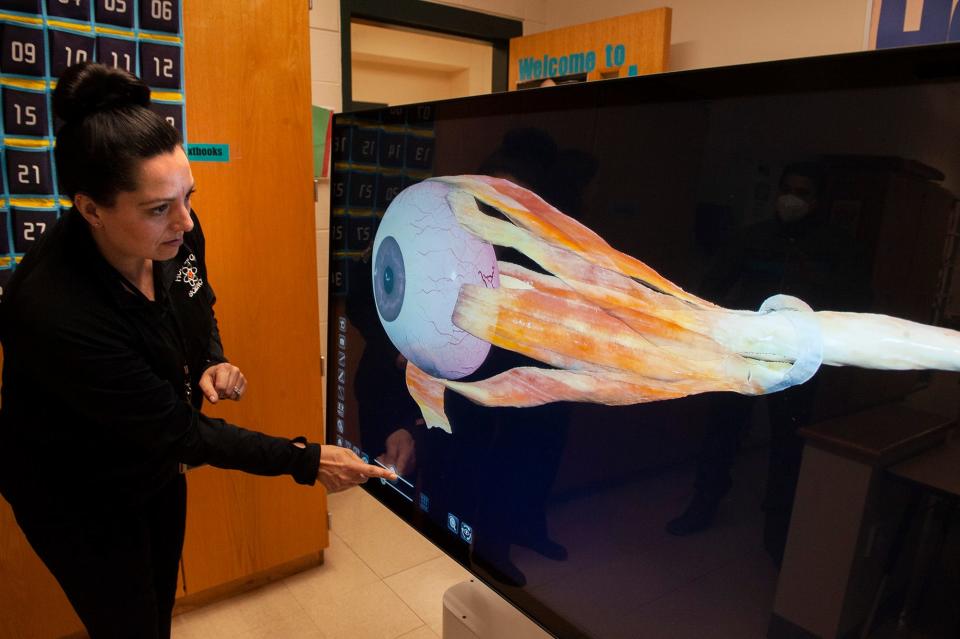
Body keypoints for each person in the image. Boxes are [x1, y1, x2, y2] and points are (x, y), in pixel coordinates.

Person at [0, 62, 394, 639]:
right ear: (91, 210)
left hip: (153, 461)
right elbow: (177, 430)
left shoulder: (178, 238)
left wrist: (210, 356)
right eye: (159, 208)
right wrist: (306, 460)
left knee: (157, 603)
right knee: (128, 622)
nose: (184, 221)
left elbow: (195, 302)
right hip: (75, 490)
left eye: (188, 197)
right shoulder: (53, 309)